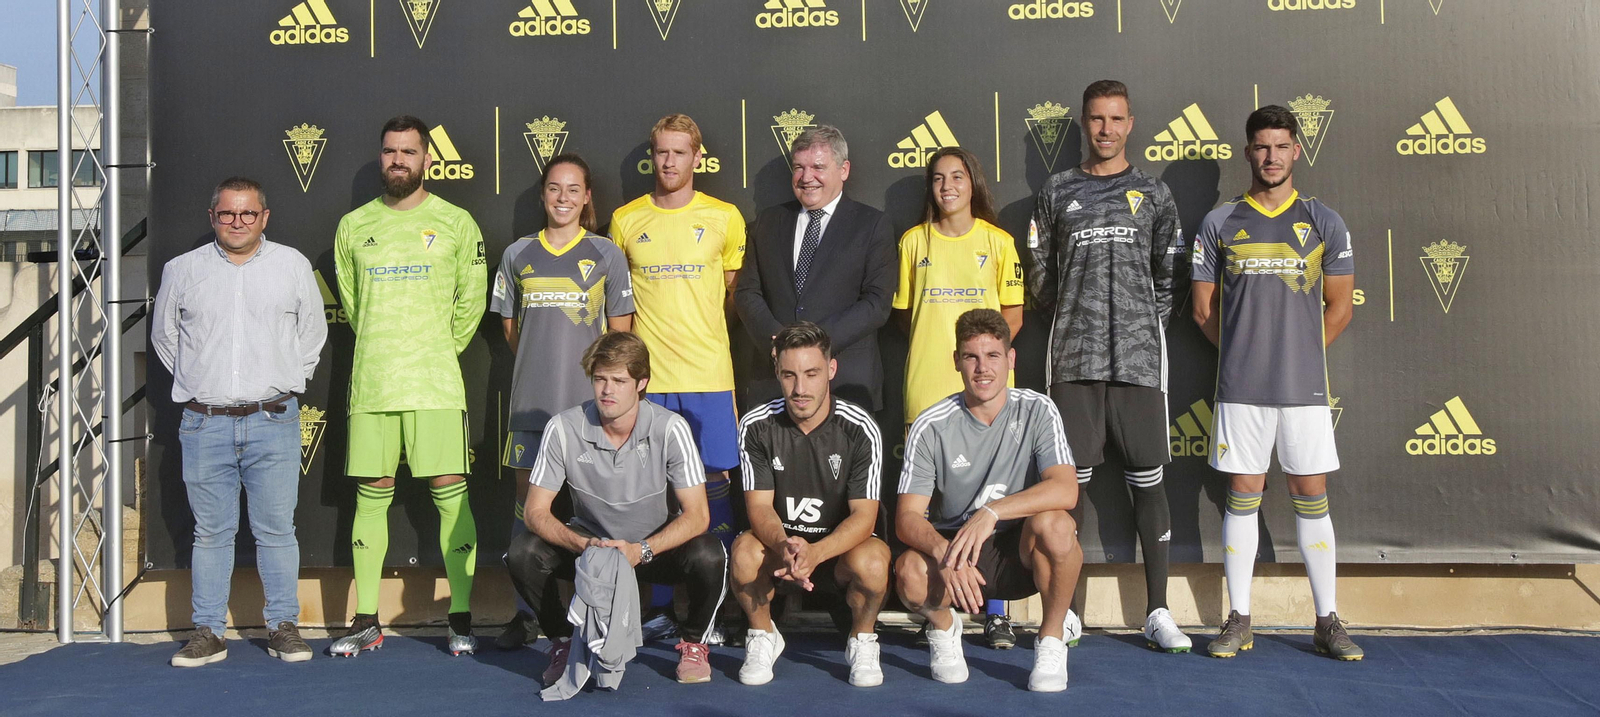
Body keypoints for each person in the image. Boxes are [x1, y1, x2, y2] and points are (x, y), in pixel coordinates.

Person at [1021, 80, 1189, 653]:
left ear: (1131, 123)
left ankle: (1159, 610)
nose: (1106, 129)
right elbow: (1040, 280)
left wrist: (1141, 326)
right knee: (1069, 489)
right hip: (1073, 359)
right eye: (1096, 119)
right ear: (1085, 124)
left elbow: (1169, 276)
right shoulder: (1058, 190)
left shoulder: (1154, 194)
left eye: (1116, 118)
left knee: (1149, 481)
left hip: (1140, 362)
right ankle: (1063, 611)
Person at [1191, 105, 1360, 661]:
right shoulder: (1219, 222)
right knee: (1242, 496)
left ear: (1297, 151)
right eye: (1261, 147)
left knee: (1312, 496)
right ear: (1248, 153)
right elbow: (1202, 311)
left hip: (1304, 390)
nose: (1271, 157)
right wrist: (1246, 356)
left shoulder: (1324, 220)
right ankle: (1238, 619)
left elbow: (1339, 308)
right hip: (1240, 390)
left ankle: (1326, 619)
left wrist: (1299, 358)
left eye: (1281, 146)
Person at [329, 115, 488, 657]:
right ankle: (367, 618)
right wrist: (387, 346)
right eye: (390, 151)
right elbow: (353, 306)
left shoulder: (456, 222)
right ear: (382, 157)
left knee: (450, 496)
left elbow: (471, 302)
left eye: (409, 152)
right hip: (373, 385)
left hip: (436, 386)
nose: (399, 160)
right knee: (371, 497)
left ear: (426, 159)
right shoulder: (353, 226)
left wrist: (434, 351)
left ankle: (461, 617)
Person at [154, 176, 325, 667]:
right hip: (204, 423)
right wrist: (201, 381)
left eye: (247, 213)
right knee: (210, 533)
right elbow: (166, 339)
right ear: (212, 217)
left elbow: (312, 334)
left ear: (264, 217)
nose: (237, 222)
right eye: (227, 214)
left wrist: (288, 380)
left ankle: (283, 627)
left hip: (273, 419)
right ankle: (208, 631)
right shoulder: (182, 270)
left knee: (276, 529)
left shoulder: (292, 266)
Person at [506, 332, 728, 686]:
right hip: (592, 549)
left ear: (641, 383)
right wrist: (584, 546)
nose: (607, 390)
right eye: (600, 379)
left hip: (651, 548)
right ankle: (562, 642)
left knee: (709, 553)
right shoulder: (562, 428)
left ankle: (693, 644)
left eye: (619, 380)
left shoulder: (671, 428)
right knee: (522, 552)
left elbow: (698, 515)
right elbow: (535, 511)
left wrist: (640, 551)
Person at [894, 309, 1083, 692]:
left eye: (993, 356)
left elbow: (1066, 489)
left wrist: (991, 512)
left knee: (1058, 525)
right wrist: (944, 552)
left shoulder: (1037, 409)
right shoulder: (931, 425)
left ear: (1010, 360)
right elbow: (907, 518)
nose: (983, 368)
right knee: (909, 573)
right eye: (971, 357)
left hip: (1020, 551)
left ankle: (1050, 641)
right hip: (959, 553)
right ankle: (945, 630)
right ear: (957, 362)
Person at [491, 153, 635, 650]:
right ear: (542, 194)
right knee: (525, 513)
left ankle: (590, 612)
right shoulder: (517, 255)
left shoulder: (606, 254)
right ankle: (530, 613)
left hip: (588, 415)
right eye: (555, 188)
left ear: (587, 196)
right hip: (530, 410)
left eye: (574, 189)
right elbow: (512, 331)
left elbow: (620, 341)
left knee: (588, 516)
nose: (563, 198)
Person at [892, 147, 1024, 649]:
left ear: (974, 184)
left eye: (957, 176)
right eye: (938, 178)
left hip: (986, 394)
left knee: (992, 498)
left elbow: (1013, 316)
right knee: (933, 507)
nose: (947, 186)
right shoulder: (912, 243)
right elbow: (906, 316)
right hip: (926, 389)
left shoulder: (998, 242)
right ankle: (939, 607)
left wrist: (983, 366)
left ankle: (995, 610)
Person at [609, 113, 746, 551]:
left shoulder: (724, 217)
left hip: (709, 375)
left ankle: (718, 594)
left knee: (714, 477)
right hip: (652, 380)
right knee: (654, 484)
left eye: (680, 152)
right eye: (662, 152)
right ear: (652, 157)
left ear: (697, 158)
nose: (669, 162)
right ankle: (662, 608)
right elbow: (619, 306)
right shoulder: (625, 220)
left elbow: (732, 296)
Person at [732, 322, 889, 687]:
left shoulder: (860, 428)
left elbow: (864, 518)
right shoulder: (756, 425)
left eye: (811, 373)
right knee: (742, 552)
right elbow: (759, 510)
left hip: (835, 555)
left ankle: (862, 640)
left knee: (874, 560)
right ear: (777, 373)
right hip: (782, 553)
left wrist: (816, 552)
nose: (800, 389)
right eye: (789, 375)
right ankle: (762, 636)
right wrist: (785, 545)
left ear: (830, 370)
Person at [735, 125, 896, 412]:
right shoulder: (767, 224)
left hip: (846, 384)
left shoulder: (871, 225)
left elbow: (876, 303)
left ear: (843, 170)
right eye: (799, 167)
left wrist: (813, 346)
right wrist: (779, 343)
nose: (807, 177)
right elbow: (748, 292)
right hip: (774, 384)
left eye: (818, 167)